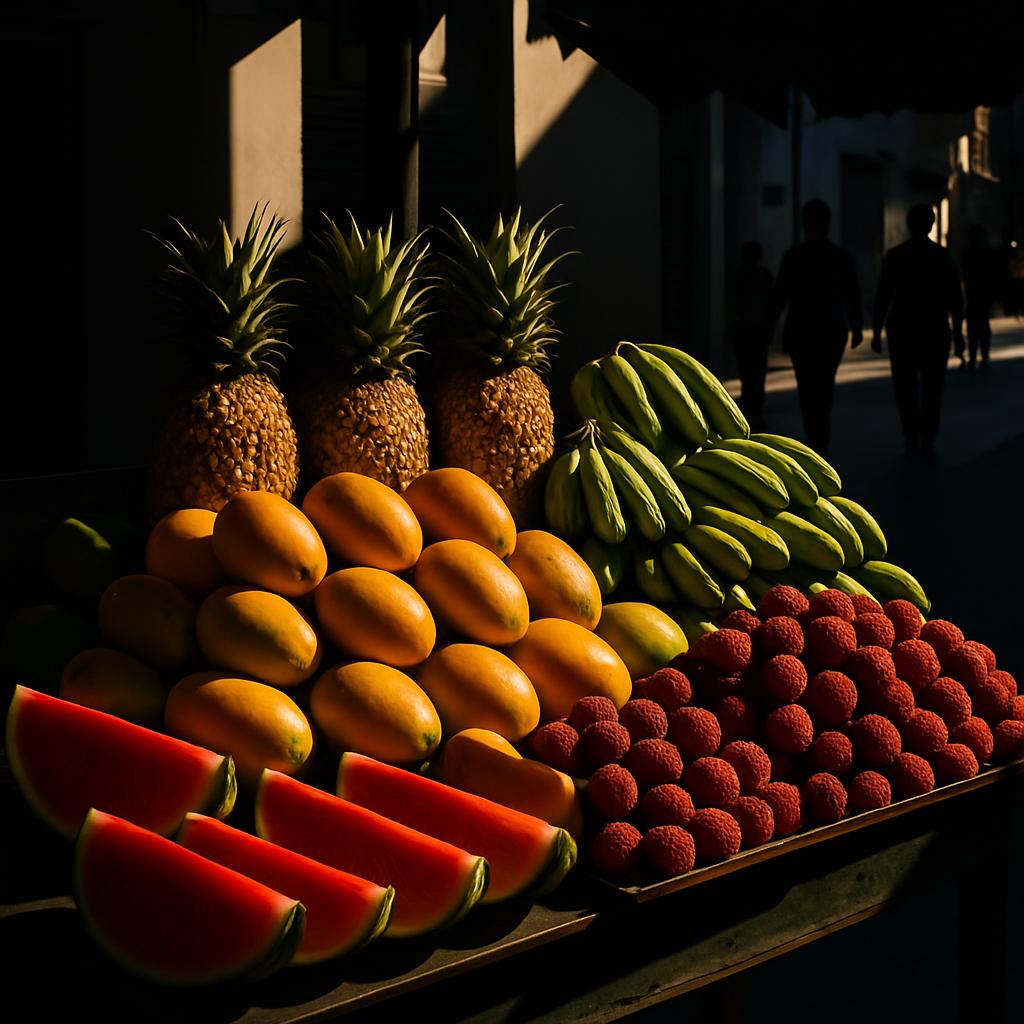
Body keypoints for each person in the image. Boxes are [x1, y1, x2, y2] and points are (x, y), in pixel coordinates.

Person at [771, 199, 862, 456]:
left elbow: (780, 296)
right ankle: (820, 434)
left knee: (806, 385)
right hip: (830, 329)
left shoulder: (794, 257)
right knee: (824, 384)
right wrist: (856, 327)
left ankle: (814, 432)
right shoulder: (838, 257)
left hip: (802, 330)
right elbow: (852, 293)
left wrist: (768, 329)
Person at [871, 204, 964, 454]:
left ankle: (911, 432)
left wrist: (877, 331)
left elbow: (883, 295)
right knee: (933, 386)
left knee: (905, 385)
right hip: (935, 329)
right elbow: (955, 299)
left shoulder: (896, 256)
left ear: (909, 225)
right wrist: (958, 333)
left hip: (902, 328)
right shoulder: (941, 256)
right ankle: (928, 433)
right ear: (932, 225)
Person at [726, 240, 774, 431]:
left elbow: (732, 304)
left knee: (745, 368)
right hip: (759, 331)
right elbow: (772, 304)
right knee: (758, 368)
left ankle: (749, 402)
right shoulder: (764, 276)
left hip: (743, 330)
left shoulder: (738, 277)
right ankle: (756, 404)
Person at [962, 225, 998, 369]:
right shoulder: (986, 253)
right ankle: (983, 355)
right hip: (982, 295)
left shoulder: (968, 253)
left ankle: (974, 357)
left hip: (974, 294)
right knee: (982, 326)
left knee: (974, 327)